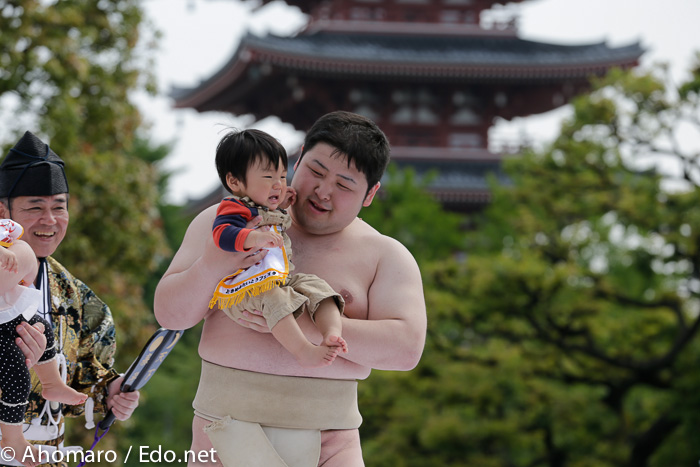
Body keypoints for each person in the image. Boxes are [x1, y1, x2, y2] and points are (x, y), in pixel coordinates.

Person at [154, 111, 426, 467]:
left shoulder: (385, 255)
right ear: (297, 158)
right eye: (315, 171)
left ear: (370, 193)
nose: (323, 191)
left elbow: (406, 349)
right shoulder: (225, 223)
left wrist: (299, 325)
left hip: (331, 443)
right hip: (221, 430)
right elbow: (169, 314)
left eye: (344, 185)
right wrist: (212, 265)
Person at [0, 131, 140, 467]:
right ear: (3, 211)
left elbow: (88, 375)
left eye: (59, 208)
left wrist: (111, 390)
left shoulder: (76, 297)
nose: (49, 221)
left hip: (47, 457)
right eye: (35, 207)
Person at [210, 129, 347, 368]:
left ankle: (332, 332)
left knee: (315, 285)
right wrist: (253, 238)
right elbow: (222, 234)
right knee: (275, 298)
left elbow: (270, 209)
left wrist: (281, 203)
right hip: (246, 288)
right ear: (235, 182)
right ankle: (303, 350)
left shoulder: (269, 206)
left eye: (283, 177)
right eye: (268, 178)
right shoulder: (235, 207)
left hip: (278, 278)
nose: (278, 185)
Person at [1, 219, 88, 467]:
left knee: (43, 330)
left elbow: (20, 251)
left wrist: (19, 255)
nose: (49, 219)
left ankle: (52, 383)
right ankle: (12, 437)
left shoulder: (66, 283)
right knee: (17, 376)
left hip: (8, 310)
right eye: (35, 206)